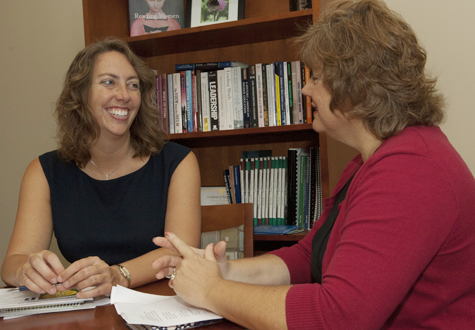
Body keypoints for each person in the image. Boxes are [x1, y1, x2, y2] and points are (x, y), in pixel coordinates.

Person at [151, 0, 475, 329]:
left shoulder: (411, 171)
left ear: (356, 88)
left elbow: (338, 317)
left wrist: (212, 290)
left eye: (316, 77)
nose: (305, 89)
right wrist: (227, 272)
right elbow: (310, 256)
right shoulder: (372, 162)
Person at [1, 38, 201, 299]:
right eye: (109, 82)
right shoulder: (43, 171)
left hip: (159, 308)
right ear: (80, 94)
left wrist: (117, 276)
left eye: (133, 85)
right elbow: (12, 264)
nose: (124, 95)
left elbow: (179, 251)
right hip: (85, 311)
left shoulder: (178, 162)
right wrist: (26, 270)